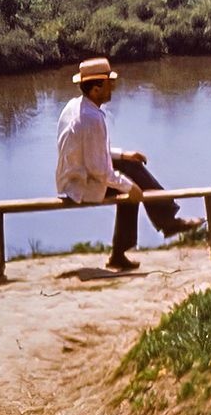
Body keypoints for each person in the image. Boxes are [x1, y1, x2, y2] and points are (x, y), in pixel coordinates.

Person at [55, 56, 202, 271]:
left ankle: (159, 224)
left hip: (76, 175)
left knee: (131, 170)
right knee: (130, 187)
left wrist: (124, 155)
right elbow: (99, 170)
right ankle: (164, 222)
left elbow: (91, 153)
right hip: (82, 184)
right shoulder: (91, 119)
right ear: (96, 89)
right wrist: (129, 186)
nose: (112, 87)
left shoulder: (76, 106)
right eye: (108, 83)